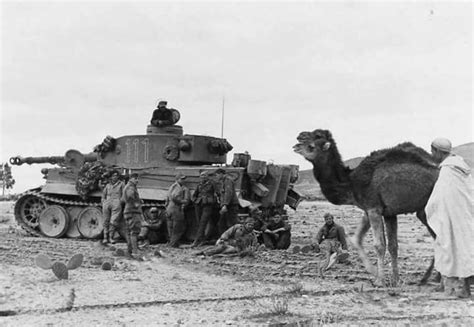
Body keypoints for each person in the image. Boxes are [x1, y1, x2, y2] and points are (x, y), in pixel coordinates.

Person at [426, 137, 474, 298]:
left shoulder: (448, 170)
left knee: (449, 249)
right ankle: (464, 290)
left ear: (439, 151)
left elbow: (440, 197)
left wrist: (431, 209)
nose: (432, 154)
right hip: (465, 217)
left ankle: (452, 290)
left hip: (451, 217)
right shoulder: (462, 167)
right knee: (464, 250)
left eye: (433, 151)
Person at [191, 171, 218, 247]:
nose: (203, 177)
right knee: (199, 222)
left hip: (208, 205)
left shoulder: (212, 183)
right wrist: (195, 200)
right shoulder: (199, 184)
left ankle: (196, 241)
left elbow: (217, 193)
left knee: (203, 222)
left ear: (207, 176)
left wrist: (213, 201)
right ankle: (202, 240)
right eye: (201, 176)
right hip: (199, 204)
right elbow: (194, 194)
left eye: (204, 175)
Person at [166, 172, 191, 248]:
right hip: (176, 208)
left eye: (184, 179)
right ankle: (173, 243)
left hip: (169, 208)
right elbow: (177, 198)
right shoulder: (181, 188)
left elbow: (167, 198)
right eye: (182, 179)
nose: (184, 180)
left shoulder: (172, 186)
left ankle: (172, 242)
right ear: (177, 179)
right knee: (178, 227)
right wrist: (183, 202)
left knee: (170, 226)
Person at [121, 173, 142, 258]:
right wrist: (136, 203)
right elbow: (130, 196)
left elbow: (122, 199)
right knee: (134, 232)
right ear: (132, 179)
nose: (137, 181)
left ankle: (129, 251)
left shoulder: (127, 186)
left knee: (129, 232)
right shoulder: (131, 187)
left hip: (128, 211)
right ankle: (135, 252)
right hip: (132, 211)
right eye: (136, 179)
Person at [101, 170, 125, 244]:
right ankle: (105, 238)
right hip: (107, 202)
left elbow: (124, 194)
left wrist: (120, 202)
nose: (115, 177)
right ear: (111, 177)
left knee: (113, 221)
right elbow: (103, 194)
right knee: (105, 221)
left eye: (116, 175)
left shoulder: (121, 184)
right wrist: (104, 201)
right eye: (113, 175)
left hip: (116, 202)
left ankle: (111, 237)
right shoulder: (108, 185)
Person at [215, 168, 240, 235]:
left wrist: (225, 205)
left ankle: (234, 239)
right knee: (222, 224)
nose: (216, 177)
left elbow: (228, 193)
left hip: (230, 206)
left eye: (217, 175)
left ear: (221, 174)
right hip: (228, 205)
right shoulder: (224, 181)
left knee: (231, 224)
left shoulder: (228, 180)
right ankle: (225, 239)